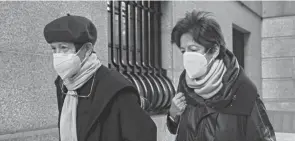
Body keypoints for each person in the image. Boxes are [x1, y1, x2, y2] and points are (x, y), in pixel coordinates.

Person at [43, 14, 157, 141]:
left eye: (64, 48)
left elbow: (143, 134)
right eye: (54, 49)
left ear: (86, 49)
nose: (58, 55)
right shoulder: (63, 84)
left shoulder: (116, 87)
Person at [166, 10, 276, 141]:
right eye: (183, 51)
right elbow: (176, 129)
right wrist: (173, 114)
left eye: (193, 49)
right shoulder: (185, 83)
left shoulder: (242, 90)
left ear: (214, 50)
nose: (187, 56)